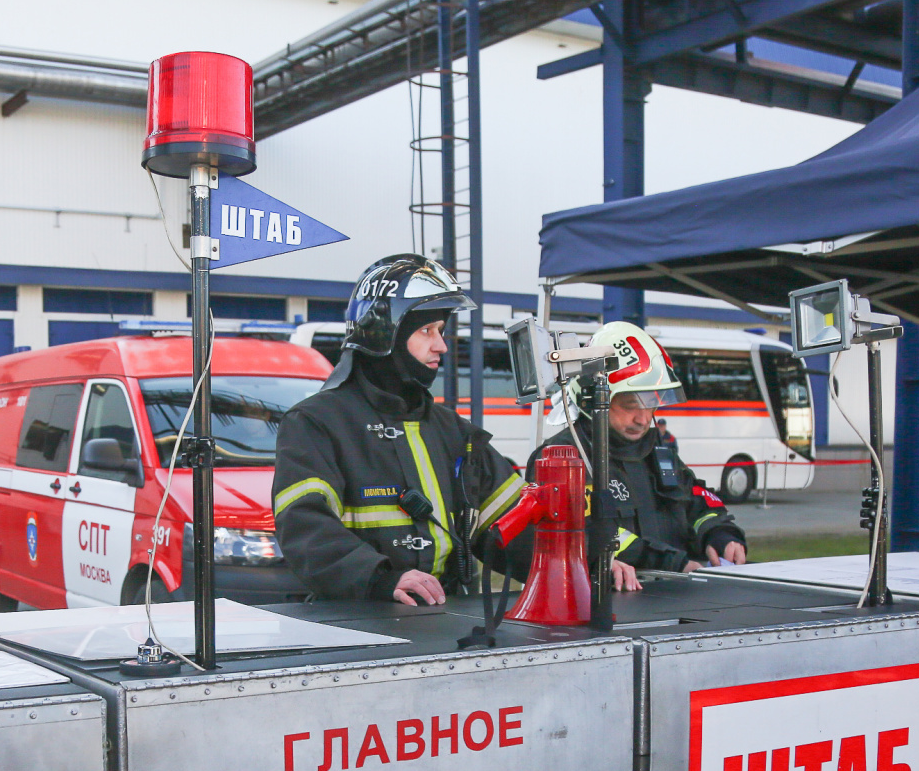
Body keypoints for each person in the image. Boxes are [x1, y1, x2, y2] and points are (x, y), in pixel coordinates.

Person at [272, 253, 535, 604]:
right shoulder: (316, 423)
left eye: (441, 331)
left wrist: (594, 566)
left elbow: (517, 526)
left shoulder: (453, 432)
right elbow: (305, 527)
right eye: (426, 330)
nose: (441, 345)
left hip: (446, 619)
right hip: (356, 619)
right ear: (385, 333)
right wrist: (379, 578)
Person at [542, 322, 746, 579]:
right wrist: (673, 563)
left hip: (682, 590)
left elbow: (698, 502)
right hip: (615, 601)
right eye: (630, 405)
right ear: (592, 398)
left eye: (651, 404)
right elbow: (586, 533)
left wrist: (720, 536)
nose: (643, 419)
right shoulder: (562, 458)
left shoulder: (657, 450)